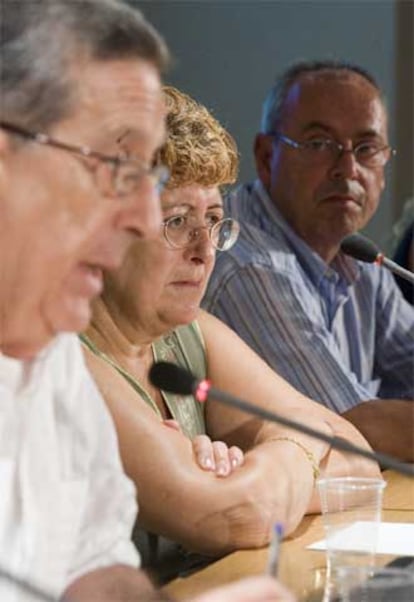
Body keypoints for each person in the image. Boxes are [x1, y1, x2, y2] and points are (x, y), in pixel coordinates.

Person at [0, 1, 292, 601]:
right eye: (115, 168)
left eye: (148, 183)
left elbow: (97, 571)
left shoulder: (47, 358)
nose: (140, 218)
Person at [82, 86, 378, 580]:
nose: (205, 251)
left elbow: (357, 455)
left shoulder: (191, 333)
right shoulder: (68, 362)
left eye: (214, 221)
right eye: (177, 221)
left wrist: (256, 465)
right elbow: (229, 516)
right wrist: (294, 449)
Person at [202, 60, 414, 462]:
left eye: (367, 148)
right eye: (319, 144)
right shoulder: (246, 264)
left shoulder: (358, 256)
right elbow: (350, 431)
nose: (348, 169)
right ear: (267, 157)